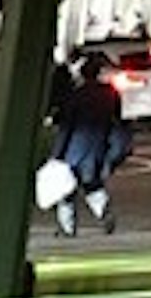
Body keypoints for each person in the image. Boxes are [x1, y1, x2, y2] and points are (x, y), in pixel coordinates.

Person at [54, 49, 132, 238]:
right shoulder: (110, 95)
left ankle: (67, 227)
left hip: (75, 146)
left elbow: (67, 125)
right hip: (98, 145)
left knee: (66, 190)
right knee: (92, 183)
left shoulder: (76, 96)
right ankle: (102, 210)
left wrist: (56, 154)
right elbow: (117, 121)